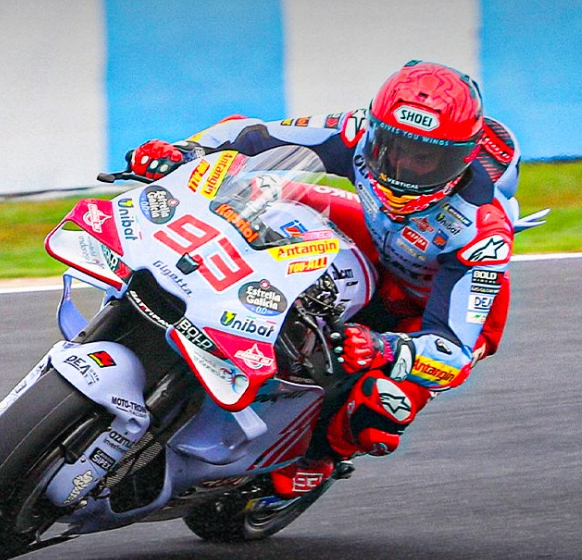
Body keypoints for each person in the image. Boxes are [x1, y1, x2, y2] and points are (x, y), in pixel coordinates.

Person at [125, 60, 522, 498]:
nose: (403, 166)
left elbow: (455, 354)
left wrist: (384, 347)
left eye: (424, 158)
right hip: (374, 239)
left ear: (460, 161)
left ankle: (319, 459)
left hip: (426, 308)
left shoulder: (481, 231)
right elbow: (252, 134)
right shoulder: (353, 131)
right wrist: (182, 154)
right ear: (375, 129)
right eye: (393, 146)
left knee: (382, 409)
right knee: (262, 196)